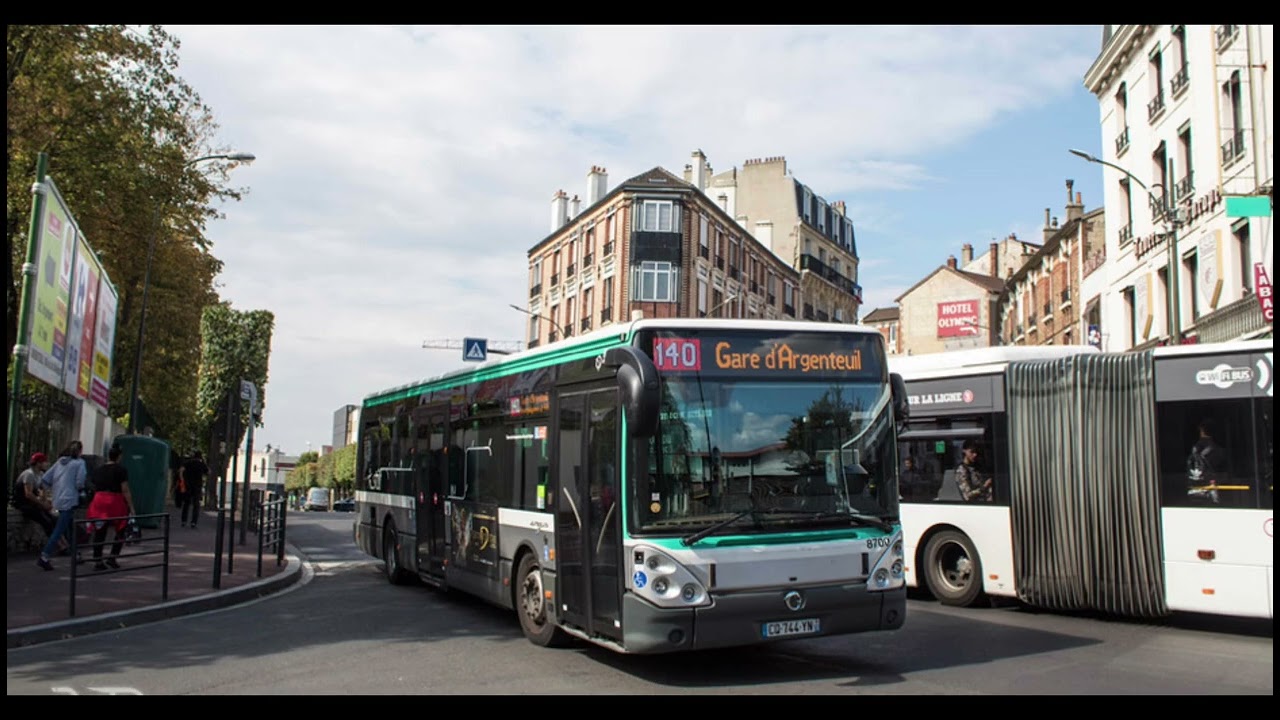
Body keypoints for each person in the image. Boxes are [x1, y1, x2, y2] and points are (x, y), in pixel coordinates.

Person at [36, 440, 87, 571]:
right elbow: (80, 483)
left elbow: (46, 479)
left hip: (58, 499)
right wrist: (80, 490)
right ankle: (45, 556)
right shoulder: (79, 463)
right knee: (60, 530)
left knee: (69, 528)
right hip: (70, 500)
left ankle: (75, 554)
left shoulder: (59, 462)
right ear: (80, 451)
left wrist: (52, 491)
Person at [84, 444, 136, 570]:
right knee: (121, 528)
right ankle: (112, 556)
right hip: (114, 500)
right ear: (119, 456)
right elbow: (125, 490)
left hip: (99, 500)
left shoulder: (98, 470)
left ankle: (98, 559)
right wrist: (131, 507)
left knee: (100, 530)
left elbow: (92, 484)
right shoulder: (121, 470)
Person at [12, 452, 63, 551]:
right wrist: (42, 504)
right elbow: (28, 494)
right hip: (24, 504)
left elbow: (42, 490)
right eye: (44, 462)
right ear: (38, 463)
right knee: (45, 521)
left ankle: (62, 543)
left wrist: (45, 502)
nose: (46, 464)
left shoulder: (40, 474)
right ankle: (58, 545)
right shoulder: (29, 474)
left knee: (53, 519)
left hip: (34, 504)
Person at [1187, 418, 1228, 502]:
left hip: (1194, 489)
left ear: (1201, 430)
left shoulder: (1195, 448)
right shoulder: (1219, 449)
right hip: (1212, 491)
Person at [179, 450, 209, 528]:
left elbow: (181, 470)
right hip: (197, 486)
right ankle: (193, 522)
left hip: (188, 485)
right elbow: (208, 472)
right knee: (196, 505)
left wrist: (182, 480)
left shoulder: (188, 463)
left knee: (186, 503)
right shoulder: (201, 464)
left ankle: (184, 521)